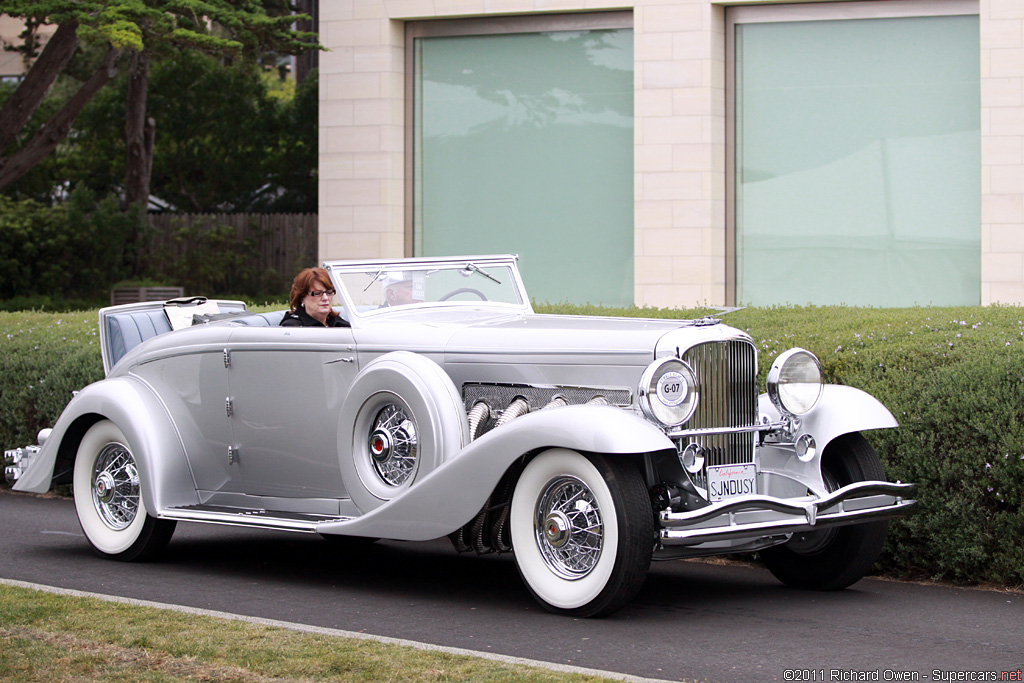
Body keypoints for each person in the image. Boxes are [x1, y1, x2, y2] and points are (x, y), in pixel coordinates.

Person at [280, 267, 350, 327]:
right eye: (317, 293)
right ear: (302, 298)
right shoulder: (292, 327)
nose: (325, 298)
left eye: (329, 292)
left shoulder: (339, 323)